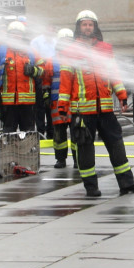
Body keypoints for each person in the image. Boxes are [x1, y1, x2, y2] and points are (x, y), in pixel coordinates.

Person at [57, 10, 134, 197]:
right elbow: (66, 83)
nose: (88, 27)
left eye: (91, 24)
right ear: (78, 27)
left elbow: (113, 74)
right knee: (85, 150)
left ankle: (127, 183)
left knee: (117, 146)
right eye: (84, 24)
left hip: (105, 109)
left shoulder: (105, 48)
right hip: (82, 111)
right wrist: (62, 108)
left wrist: (122, 96)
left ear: (95, 27)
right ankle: (91, 187)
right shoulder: (70, 52)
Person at [0, 21, 42, 134]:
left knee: (28, 134)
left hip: (28, 102)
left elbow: (42, 69)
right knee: (8, 133)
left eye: (18, 33)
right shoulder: (0, 51)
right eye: (13, 33)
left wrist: (33, 70)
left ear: (23, 35)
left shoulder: (31, 51)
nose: (16, 36)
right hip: (7, 102)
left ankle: (27, 152)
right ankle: (9, 152)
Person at [49, 28, 77, 169]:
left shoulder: (76, 58)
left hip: (74, 101)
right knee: (59, 133)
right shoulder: (53, 59)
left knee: (76, 131)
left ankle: (78, 160)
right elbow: (47, 79)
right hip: (56, 101)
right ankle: (61, 159)